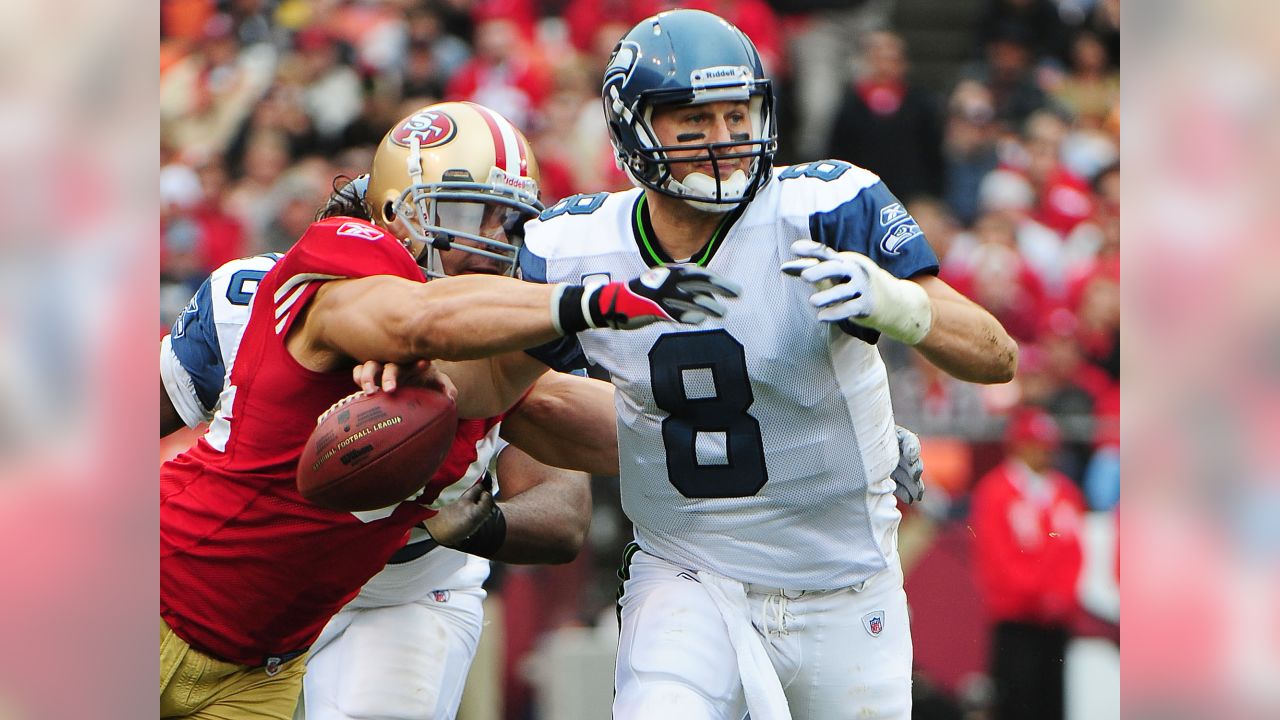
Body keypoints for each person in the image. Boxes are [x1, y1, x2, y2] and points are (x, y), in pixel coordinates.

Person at [159, 100, 738, 719]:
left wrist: (758, 428)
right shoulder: (322, 272)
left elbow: (618, 443)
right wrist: (591, 302)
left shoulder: (494, 357)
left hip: (282, 647)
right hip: (166, 588)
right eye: (465, 213)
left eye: (507, 224)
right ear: (392, 211)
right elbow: (416, 320)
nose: (487, 244)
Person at [517, 10, 1017, 719]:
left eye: (737, 114)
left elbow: (996, 355)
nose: (723, 141)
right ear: (633, 127)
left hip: (844, 584)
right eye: (693, 122)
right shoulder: (574, 246)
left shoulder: (826, 209)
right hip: (690, 573)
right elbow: (503, 392)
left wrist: (894, 302)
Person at [160, 176, 596, 720]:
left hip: (405, 590)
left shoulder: (498, 353)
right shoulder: (251, 299)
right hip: (235, 590)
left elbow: (566, 514)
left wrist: (476, 524)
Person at [969, 408, 1086, 720]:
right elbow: (996, 557)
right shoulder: (996, 491)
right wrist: (1035, 595)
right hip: (1015, 620)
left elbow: (1074, 554)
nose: (1046, 453)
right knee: (1015, 704)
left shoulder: (1065, 493)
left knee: (1052, 705)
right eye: (1038, 445)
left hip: (1054, 621)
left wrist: (1060, 597)